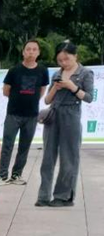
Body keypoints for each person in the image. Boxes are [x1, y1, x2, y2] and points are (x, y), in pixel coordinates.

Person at [37, 41, 94, 207]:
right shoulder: (57, 73)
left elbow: (89, 97)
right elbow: (47, 100)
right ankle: (43, 196)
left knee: (69, 157)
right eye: (60, 60)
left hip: (72, 115)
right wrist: (55, 87)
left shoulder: (85, 73)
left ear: (75, 56)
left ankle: (63, 197)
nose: (63, 63)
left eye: (67, 59)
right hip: (53, 115)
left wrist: (72, 87)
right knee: (48, 156)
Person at [0, 40, 49, 186]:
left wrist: (31, 100)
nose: (31, 52)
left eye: (34, 49)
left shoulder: (42, 71)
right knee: (7, 145)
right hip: (13, 113)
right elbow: (6, 91)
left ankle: (16, 175)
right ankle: (2, 176)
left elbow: (42, 90)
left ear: (38, 52)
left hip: (31, 115)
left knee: (24, 146)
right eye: (28, 49)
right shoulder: (14, 71)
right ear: (23, 52)